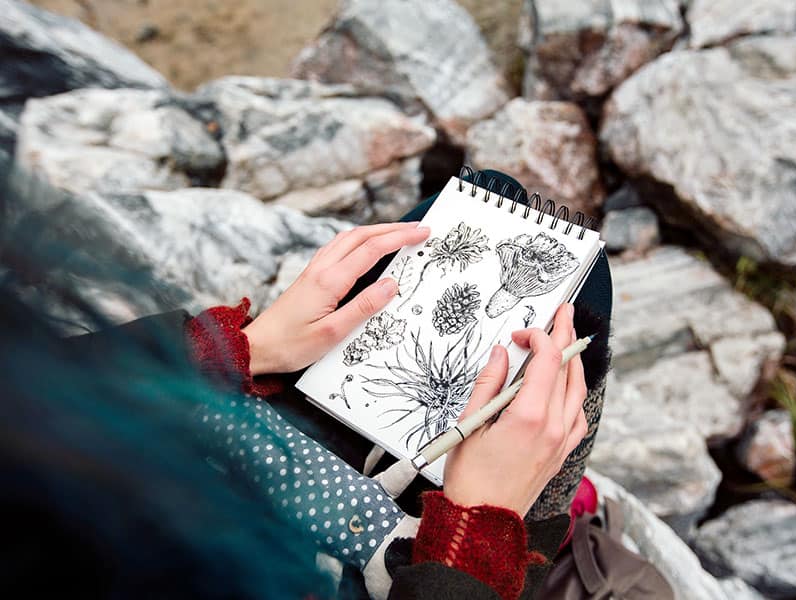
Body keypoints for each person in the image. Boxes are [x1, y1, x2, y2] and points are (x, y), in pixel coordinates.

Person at [0, 164, 611, 599]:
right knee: (581, 298)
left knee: (485, 197)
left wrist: (240, 349)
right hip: (415, 570)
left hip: (226, 444)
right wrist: (477, 536)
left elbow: (36, 393)